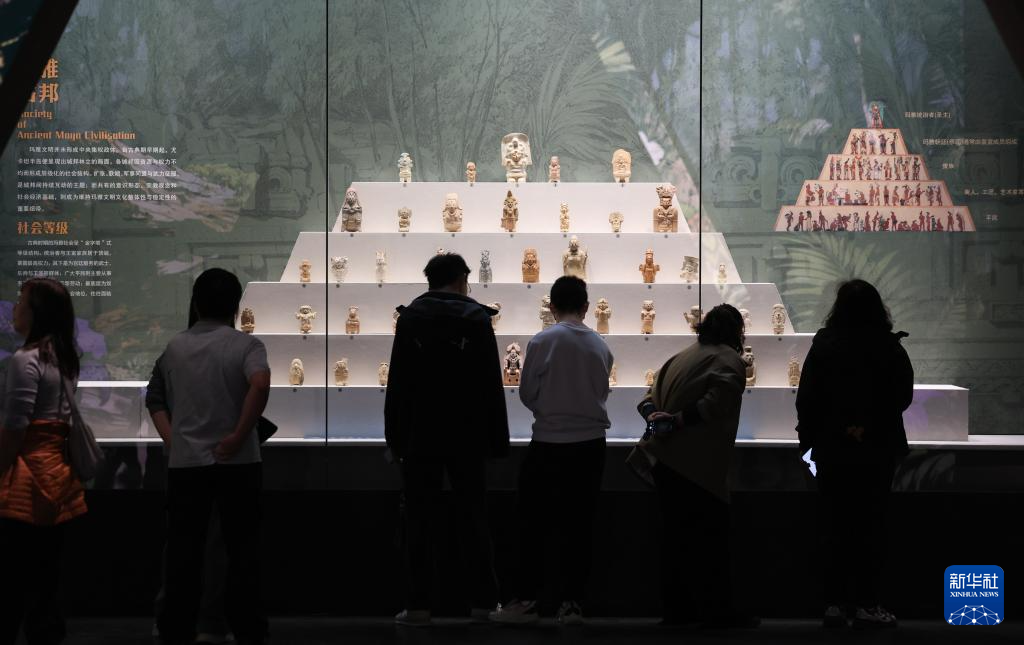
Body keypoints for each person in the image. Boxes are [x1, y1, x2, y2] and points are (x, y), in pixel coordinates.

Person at [385, 253, 509, 626]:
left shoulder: (410, 318)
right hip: (467, 431)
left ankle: (418, 604)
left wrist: (395, 438)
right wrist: (497, 439)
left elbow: (398, 384)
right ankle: (484, 601)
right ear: (462, 280)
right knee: (473, 514)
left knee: (418, 517)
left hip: (420, 431)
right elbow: (490, 383)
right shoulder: (476, 319)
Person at [147, 268, 270, 645]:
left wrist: (176, 441)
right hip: (239, 464)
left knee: (184, 552)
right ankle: (246, 629)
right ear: (236, 306)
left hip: (187, 465)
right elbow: (260, 382)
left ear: (196, 303)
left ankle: (176, 630)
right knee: (242, 552)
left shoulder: (176, 346)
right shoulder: (246, 346)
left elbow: (155, 399)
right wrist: (238, 435)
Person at [489, 276, 612, 626]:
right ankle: (572, 604)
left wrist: (551, 410)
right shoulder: (600, 345)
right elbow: (601, 391)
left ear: (552, 307)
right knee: (580, 524)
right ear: (586, 307)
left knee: (532, 523)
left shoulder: (543, 341)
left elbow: (527, 392)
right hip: (590, 445)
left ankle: (526, 600)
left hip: (548, 442)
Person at [796, 279, 912, 630]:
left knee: (833, 525)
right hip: (876, 448)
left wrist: (814, 438)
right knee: (870, 527)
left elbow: (808, 397)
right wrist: (867, 425)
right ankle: (866, 603)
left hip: (832, 447)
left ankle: (833, 603)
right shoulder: (889, 348)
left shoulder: (824, 346)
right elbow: (901, 397)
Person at [637, 304, 757, 629]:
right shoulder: (728, 360)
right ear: (737, 331)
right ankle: (717, 611)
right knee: (711, 543)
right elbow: (715, 404)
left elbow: (647, 398)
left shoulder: (681, 357)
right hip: (698, 463)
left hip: (664, 460)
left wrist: (655, 418)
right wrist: (676, 421)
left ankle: (677, 610)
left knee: (675, 540)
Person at [0, 278, 87, 645]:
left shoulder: (27, 359)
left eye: (21, 301)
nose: (15, 308)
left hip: (27, 477)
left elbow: (15, 427)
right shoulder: (63, 358)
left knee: (12, 580)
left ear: (37, 313)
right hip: (58, 475)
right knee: (45, 578)